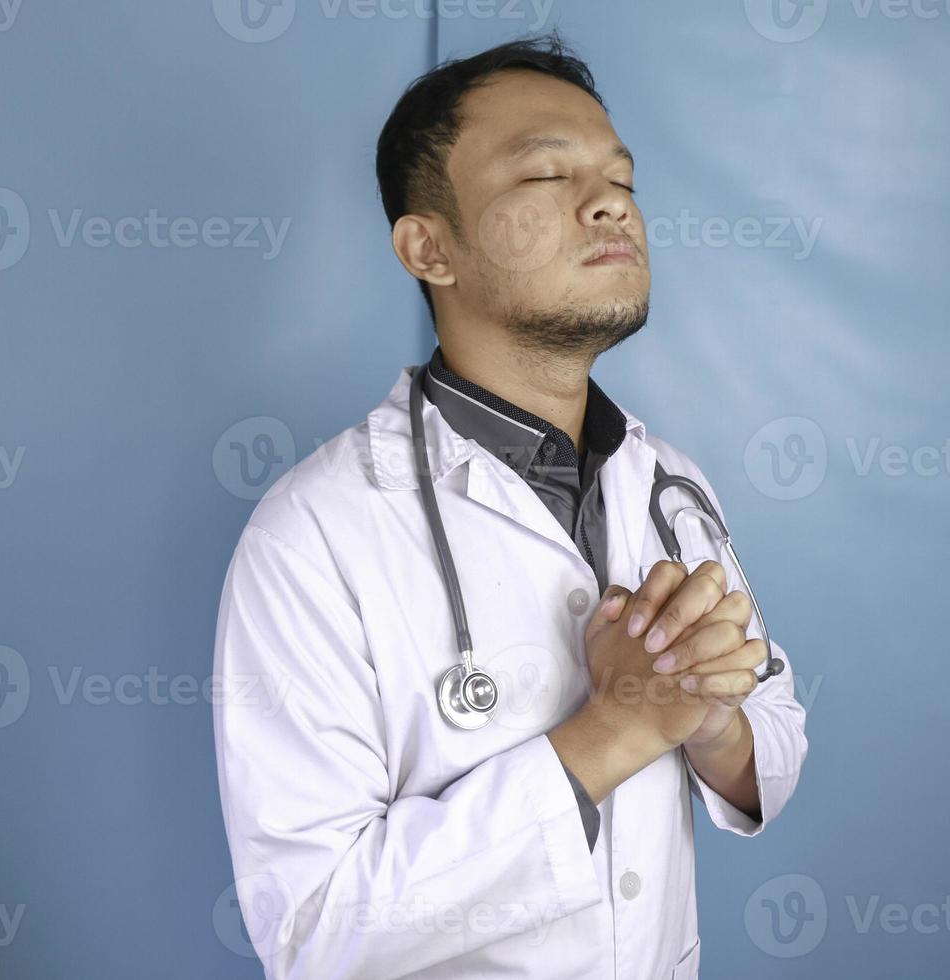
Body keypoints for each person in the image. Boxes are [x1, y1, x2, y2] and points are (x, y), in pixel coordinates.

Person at [212, 31, 808, 980]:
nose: (611, 201)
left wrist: (705, 716)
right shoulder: (312, 535)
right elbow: (314, 930)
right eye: (544, 177)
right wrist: (616, 728)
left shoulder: (669, 487)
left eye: (621, 177)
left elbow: (769, 753)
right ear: (429, 247)